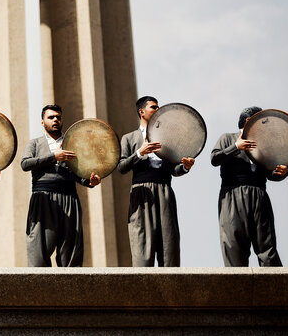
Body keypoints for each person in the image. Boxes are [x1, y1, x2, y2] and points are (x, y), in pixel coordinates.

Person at [118, 96, 195, 267]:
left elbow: (174, 169)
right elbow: (121, 167)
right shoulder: (129, 138)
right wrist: (140, 153)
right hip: (141, 193)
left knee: (169, 245)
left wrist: (185, 167)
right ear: (142, 112)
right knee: (142, 247)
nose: (158, 110)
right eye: (153, 107)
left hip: (165, 191)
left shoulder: (166, 138)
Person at [21, 104, 101, 267]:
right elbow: (25, 164)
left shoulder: (74, 143)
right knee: (38, 251)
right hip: (42, 199)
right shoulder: (35, 143)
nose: (55, 120)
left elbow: (80, 173)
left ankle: (71, 291)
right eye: (51, 117)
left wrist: (90, 182)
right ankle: (41, 291)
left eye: (58, 117)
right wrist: (53, 157)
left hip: (69, 198)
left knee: (71, 253)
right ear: (42, 122)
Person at [211, 106, 288, 267]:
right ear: (248, 121)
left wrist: (281, 173)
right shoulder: (228, 138)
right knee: (234, 247)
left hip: (259, 195)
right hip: (232, 195)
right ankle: (237, 290)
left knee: (267, 248)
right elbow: (214, 159)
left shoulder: (265, 144)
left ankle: (274, 289)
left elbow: (270, 174)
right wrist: (236, 147)